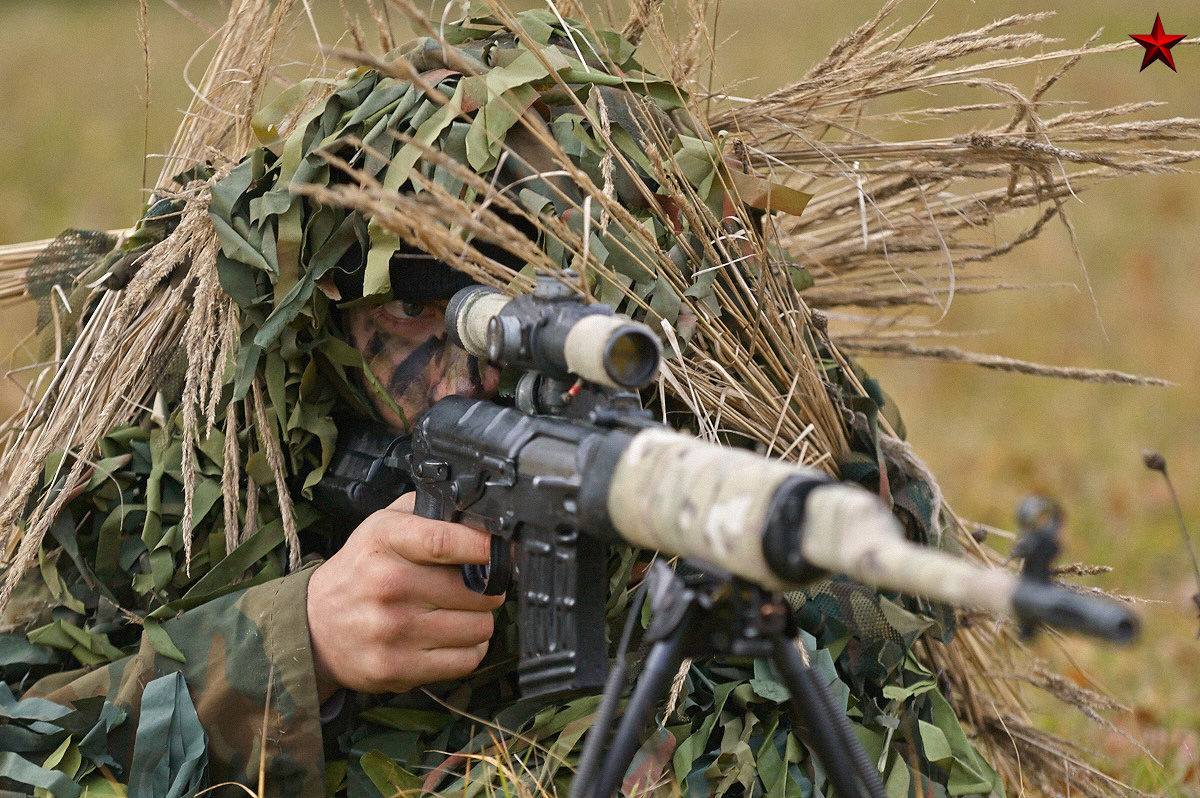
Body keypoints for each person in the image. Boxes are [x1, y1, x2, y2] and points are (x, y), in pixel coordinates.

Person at [0, 8, 1009, 798]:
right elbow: (26, 736)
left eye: (517, 311)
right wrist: (299, 636)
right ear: (320, 314)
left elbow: (891, 681)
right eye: (409, 321)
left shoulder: (732, 407)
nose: (466, 378)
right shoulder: (191, 446)